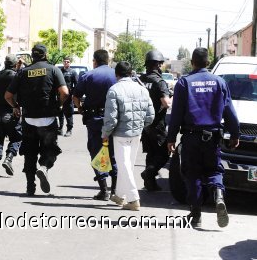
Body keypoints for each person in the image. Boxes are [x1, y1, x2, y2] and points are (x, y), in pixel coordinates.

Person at [167, 47, 240, 228]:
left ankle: (196, 214)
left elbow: (176, 114)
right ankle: (218, 194)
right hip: (213, 137)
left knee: (193, 174)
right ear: (208, 63)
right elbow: (230, 112)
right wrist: (235, 134)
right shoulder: (220, 82)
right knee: (214, 171)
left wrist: (171, 138)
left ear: (192, 62)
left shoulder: (184, 83)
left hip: (191, 137)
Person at [5, 44, 69, 196]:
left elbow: (7, 95)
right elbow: (64, 92)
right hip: (48, 119)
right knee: (50, 150)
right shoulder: (54, 70)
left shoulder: (22, 72)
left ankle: (30, 187)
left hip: (29, 120)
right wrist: (59, 105)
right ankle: (44, 167)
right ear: (46, 54)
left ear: (32, 56)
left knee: (30, 153)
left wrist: (15, 107)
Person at [102, 61, 154, 210]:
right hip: (136, 133)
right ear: (131, 73)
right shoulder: (142, 89)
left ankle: (133, 199)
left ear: (116, 74)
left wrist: (105, 134)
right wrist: (139, 126)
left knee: (124, 165)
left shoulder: (114, 90)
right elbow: (150, 115)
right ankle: (120, 195)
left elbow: (111, 119)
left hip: (120, 134)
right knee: (127, 165)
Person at [73, 49, 118, 201]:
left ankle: (104, 189)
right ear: (108, 60)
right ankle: (115, 190)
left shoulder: (88, 75)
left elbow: (76, 96)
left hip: (95, 120)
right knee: (113, 153)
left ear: (94, 61)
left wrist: (79, 108)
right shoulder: (116, 75)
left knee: (97, 152)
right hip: (114, 120)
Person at [139, 50, 172, 191]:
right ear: (158, 65)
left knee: (151, 153)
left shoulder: (140, 80)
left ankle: (150, 183)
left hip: (143, 123)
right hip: (157, 123)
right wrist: (174, 96)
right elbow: (166, 103)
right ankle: (148, 174)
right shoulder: (159, 82)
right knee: (164, 154)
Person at [58, 57, 78, 137]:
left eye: (68, 62)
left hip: (68, 96)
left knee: (68, 113)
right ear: (63, 62)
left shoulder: (73, 72)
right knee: (60, 113)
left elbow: (76, 84)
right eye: (65, 61)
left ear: (70, 63)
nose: (66, 63)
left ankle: (69, 129)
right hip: (60, 95)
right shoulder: (59, 71)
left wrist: (73, 94)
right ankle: (60, 129)